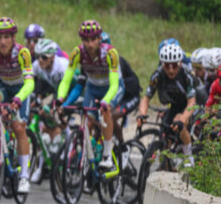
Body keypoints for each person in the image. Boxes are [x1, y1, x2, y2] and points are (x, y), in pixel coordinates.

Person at [56, 20, 122, 170]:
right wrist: (61, 98)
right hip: (93, 87)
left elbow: (114, 84)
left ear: (99, 39)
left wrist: (106, 101)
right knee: (88, 121)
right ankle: (88, 153)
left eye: (93, 39)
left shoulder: (111, 53)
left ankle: (107, 154)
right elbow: (67, 80)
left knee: (106, 112)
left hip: (111, 87)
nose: (90, 44)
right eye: (86, 40)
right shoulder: (77, 53)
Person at [0, 17, 35, 192]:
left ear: (13, 37)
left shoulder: (22, 53)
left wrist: (19, 98)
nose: (2, 41)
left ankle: (24, 176)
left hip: (19, 88)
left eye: (6, 37)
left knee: (19, 127)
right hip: (1, 87)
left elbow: (30, 83)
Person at [137, 43, 196, 162]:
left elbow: (192, 103)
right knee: (165, 129)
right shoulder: (157, 75)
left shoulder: (186, 75)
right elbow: (146, 98)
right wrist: (142, 113)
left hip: (194, 103)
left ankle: (189, 158)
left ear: (179, 63)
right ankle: (166, 164)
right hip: (176, 104)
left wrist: (182, 119)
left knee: (179, 122)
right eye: (167, 66)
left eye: (174, 65)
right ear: (162, 64)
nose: (170, 70)